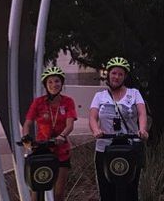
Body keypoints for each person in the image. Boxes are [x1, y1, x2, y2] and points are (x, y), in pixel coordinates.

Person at [89, 56, 148, 200]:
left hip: (130, 146)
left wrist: (142, 130)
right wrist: (96, 130)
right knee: (106, 189)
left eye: (120, 74)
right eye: (114, 73)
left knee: (130, 189)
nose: (116, 77)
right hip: (105, 147)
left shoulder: (134, 93)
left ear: (125, 76)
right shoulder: (100, 96)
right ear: (108, 74)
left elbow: (142, 113)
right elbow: (92, 117)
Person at [21, 66, 77, 201]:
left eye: (57, 81)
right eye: (50, 82)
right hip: (41, 149)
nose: (54, 85)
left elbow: (70, 125)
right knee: (36, 192)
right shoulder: (38, 102)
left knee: (58, 194)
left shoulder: (68, 101)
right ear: (45, 85)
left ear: (62, 83)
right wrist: (26, 140)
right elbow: (27, 123)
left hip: (61, 150)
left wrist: (62, 136)